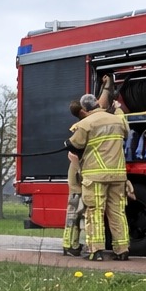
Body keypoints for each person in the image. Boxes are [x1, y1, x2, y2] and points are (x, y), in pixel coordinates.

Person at [67, 91, 131, 261]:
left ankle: (96, 251)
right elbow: (126, 132)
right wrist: (118, 111)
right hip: (118, 175)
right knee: (118, 212)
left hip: (95, 175)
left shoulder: (86, 123)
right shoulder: (118, 120)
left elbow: (75, 144)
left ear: (85, 108)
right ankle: (122, 250)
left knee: (95, 212)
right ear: (97, 103)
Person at [61, 98, 88, 257]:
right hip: (78, 175)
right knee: (76, 212)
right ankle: (71, 245)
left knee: (75, 212)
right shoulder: (83, 128)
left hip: (76, 173)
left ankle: (71, 244)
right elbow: (76, 153)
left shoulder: (79, 127)